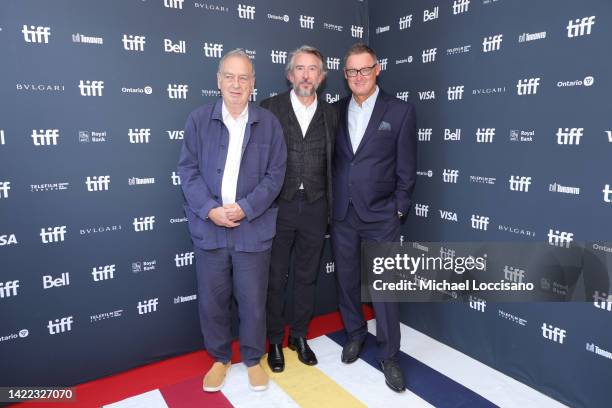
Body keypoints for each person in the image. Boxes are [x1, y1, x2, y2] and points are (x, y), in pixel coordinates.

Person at [177, 49, 286, 392]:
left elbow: (276, 174)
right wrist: (210, 209)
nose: (236, 84)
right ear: (218, 80)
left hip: (253, 229)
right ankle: (219, 358)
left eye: (244, 77)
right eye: (230, 76)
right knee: (213, 299)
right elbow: (188, 171)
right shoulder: (197, 120)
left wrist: (246, 207)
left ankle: (253, 359)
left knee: (254, 300)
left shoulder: (269, 123)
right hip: (209, 227)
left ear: (253, 83)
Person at [331, 43, 417, 392]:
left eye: (364, 70)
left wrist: (398, 208)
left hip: (381, 215)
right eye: (352, 71)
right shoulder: (334, 112)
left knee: (384, 289)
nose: (358, 77)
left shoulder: (400, 111)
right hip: (343, 214)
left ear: (377, 69)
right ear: (345, 75)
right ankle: (354, 334)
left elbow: (407, 169)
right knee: (347, 281)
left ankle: (390, 354)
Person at [260, 45, 338, 372]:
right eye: (300, 69)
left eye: (313, 69)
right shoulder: (269, 109)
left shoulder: (334, 114)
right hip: (279, 205)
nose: (306, 75)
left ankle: (300, 335)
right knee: (276, 276)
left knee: (307, 275)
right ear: (290, 74)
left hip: (317, 205)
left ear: (321, 77)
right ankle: (275, 339)